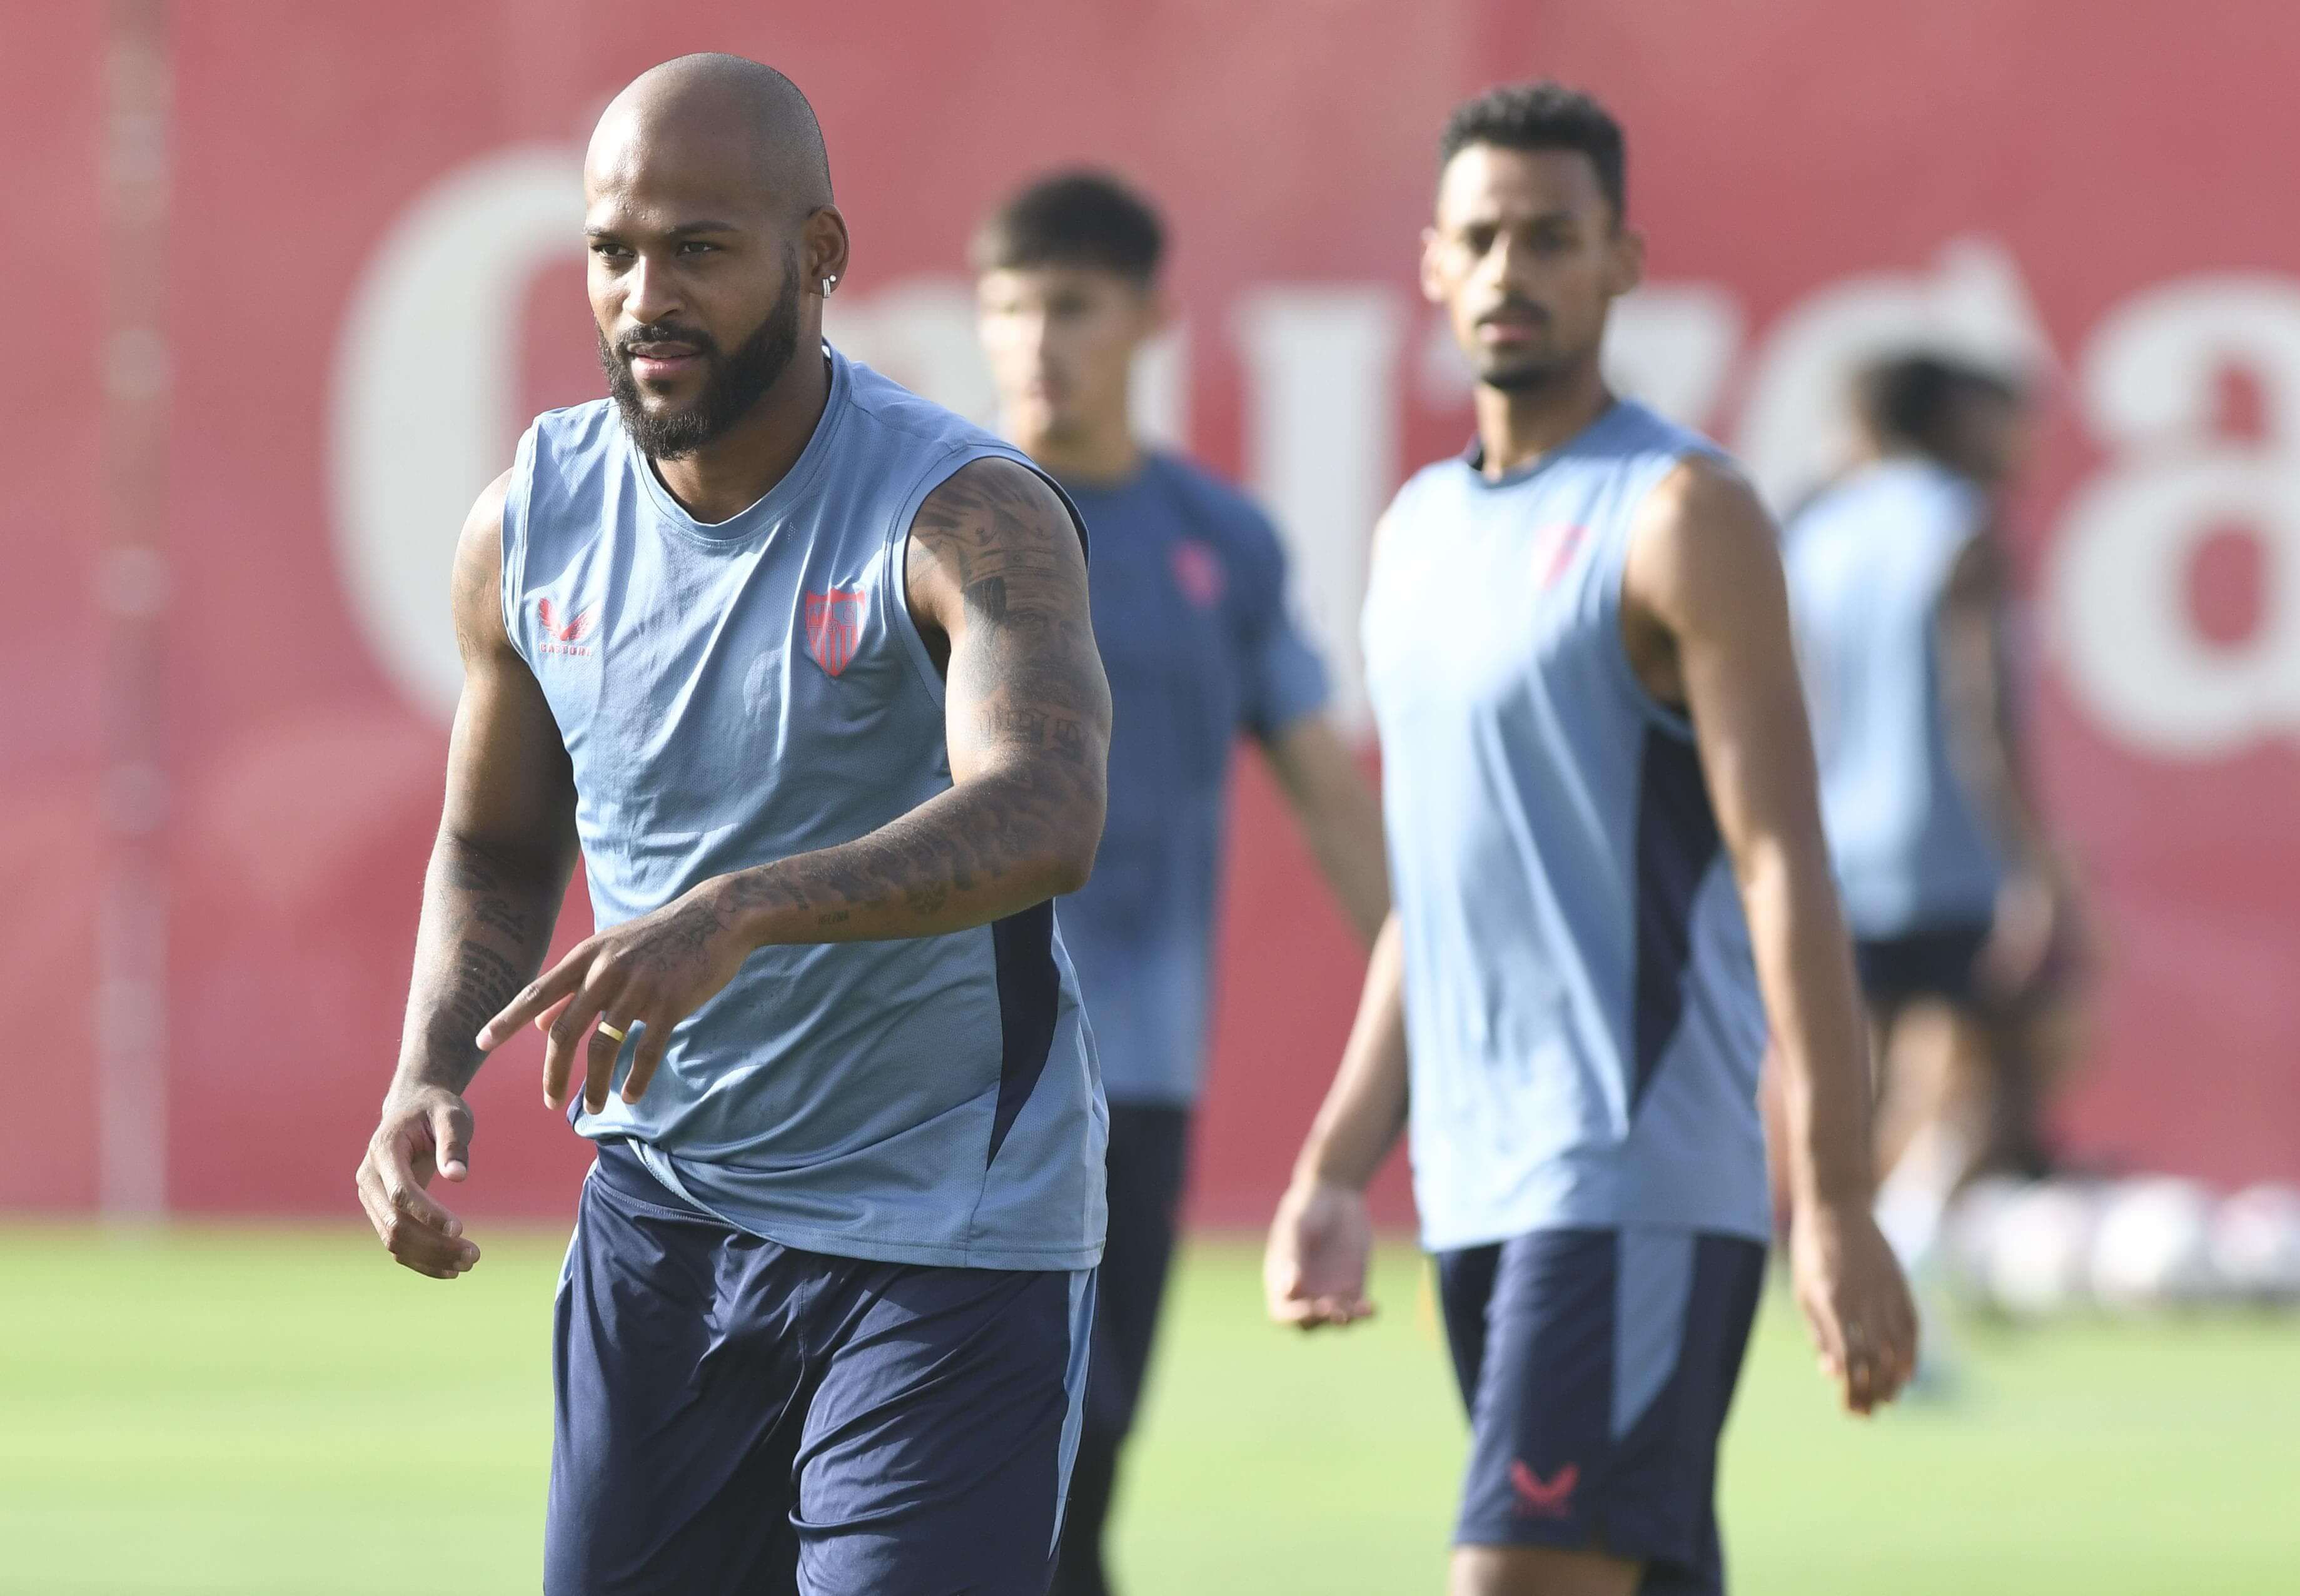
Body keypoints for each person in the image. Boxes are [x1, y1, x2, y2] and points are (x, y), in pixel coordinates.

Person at [351, 54, 1114, 1595]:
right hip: (667, 1219)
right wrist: (432, 1060)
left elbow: (1045, 810)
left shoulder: (963, 511)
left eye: (700, 247)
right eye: (612, 250)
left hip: (946, 1235)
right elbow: (499, 840)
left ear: (818, 257)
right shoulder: (528, 520)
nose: (647, 295)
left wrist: (743, 907)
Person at [1263, 83, 1918, 1596]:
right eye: (1480, 239)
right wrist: (1334, 1166)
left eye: (1551, 237)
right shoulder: (1416, 530)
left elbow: (1784, 868)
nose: (1511, 271)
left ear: (1622, 262)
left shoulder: (1682, 514)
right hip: (1479, 1192)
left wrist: (1834, 1196)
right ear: (1431, 264)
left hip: (1629, 1179)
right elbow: (1438, 894)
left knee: (1515, 1575)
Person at [971, 173, 1390, 1596]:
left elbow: (1330, 793)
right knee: (941, 1478)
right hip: (933, 1074)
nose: (1041, 341)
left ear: (1151, 318)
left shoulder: (1223, 542)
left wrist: (1435, 1005)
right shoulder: (928, 517)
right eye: (1014, 309)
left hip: (1129, 1081)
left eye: (1073, 307)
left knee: (1084, 1469)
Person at [1782, 352, 2088, 1288]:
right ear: (1949, 419)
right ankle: (1903, 1268)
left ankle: (1826, 1257)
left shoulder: (1815, 532)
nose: (2021, 443)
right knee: (1995, 1071)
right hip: (1945, 850)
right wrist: (2033, 865)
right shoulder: (1959, 526)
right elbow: (1978, 710)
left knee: (1854, 1081)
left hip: (1836, 843)